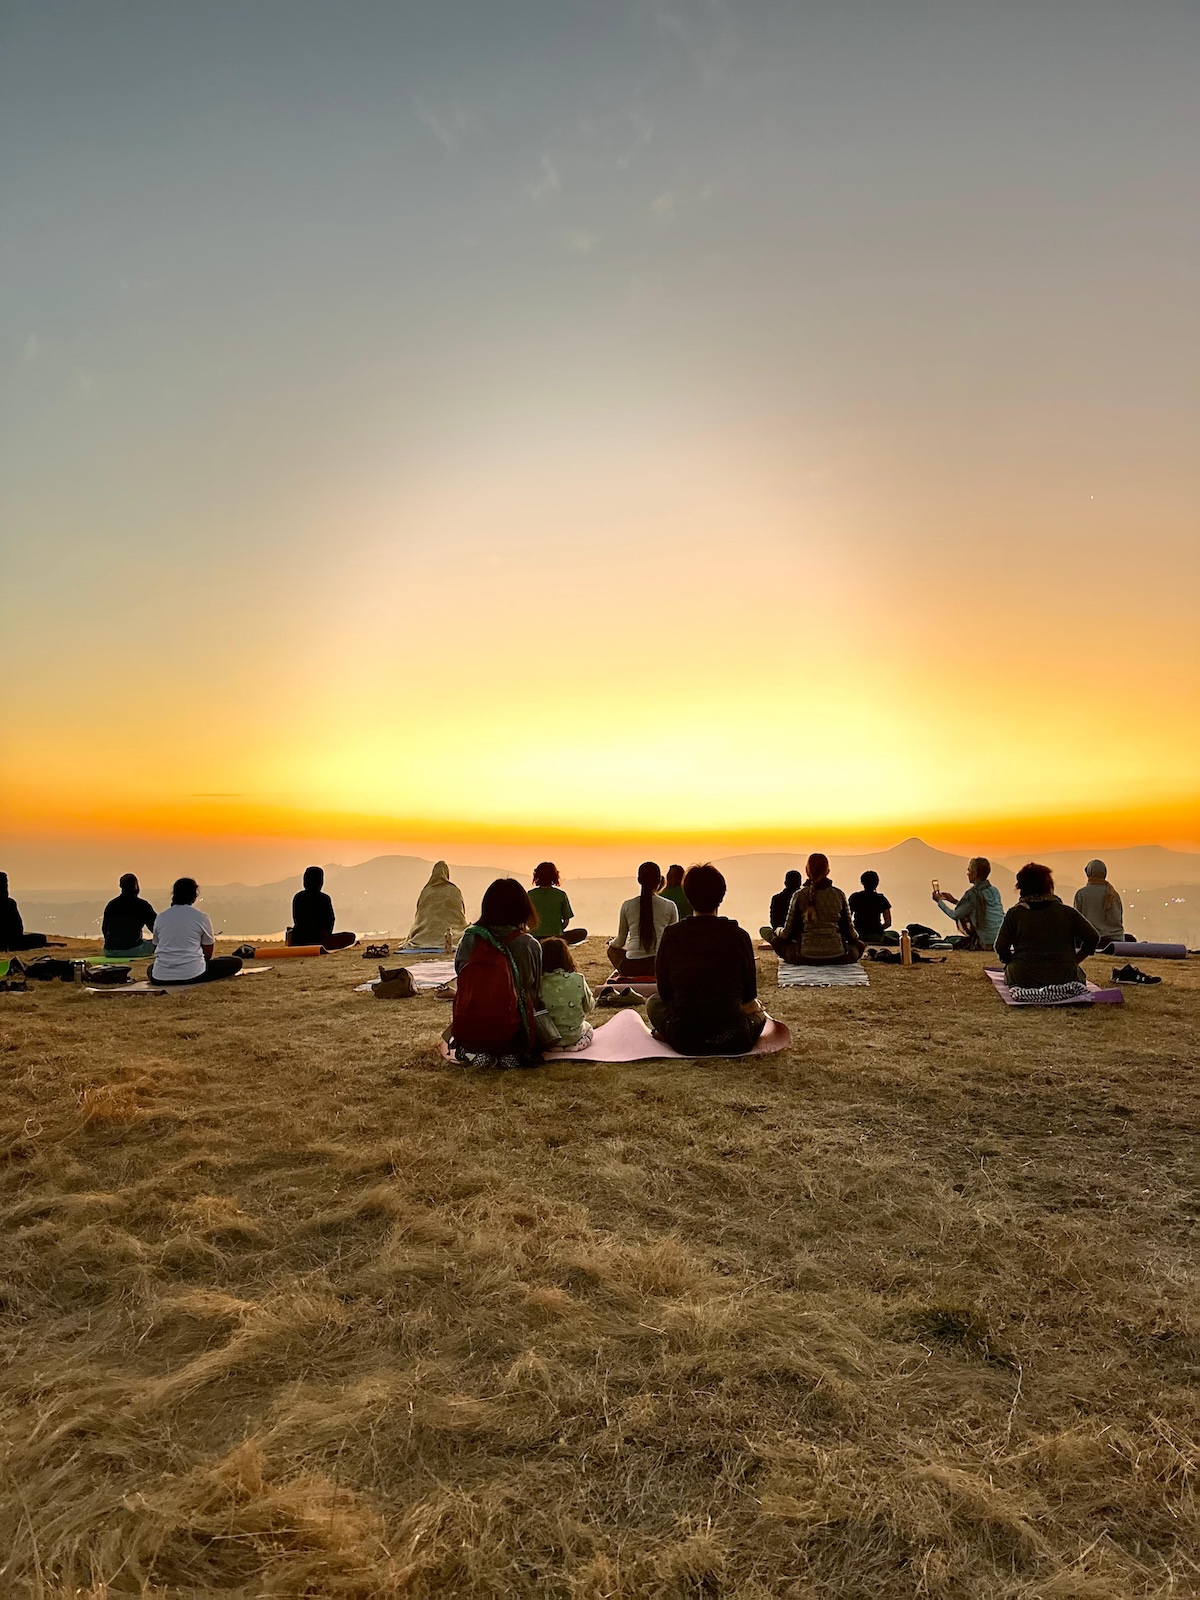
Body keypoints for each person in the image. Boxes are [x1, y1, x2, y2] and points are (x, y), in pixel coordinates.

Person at [649, 863, 766, 1055]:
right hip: (735, 1036)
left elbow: (665, 992)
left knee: (653, 1002)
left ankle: (666, 1033)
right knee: (759, 1012)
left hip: (684, 1038)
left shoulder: (672, 935)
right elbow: (748, 995)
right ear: (721, 895)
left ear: (688, 896)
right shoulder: (739, 936)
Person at [451, 878, 544, 1064]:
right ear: (523, 908)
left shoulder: (470, 938)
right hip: (512, 1034)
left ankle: (477, 1053)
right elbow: (534, 989)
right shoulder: (528, 945)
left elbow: (460, 975)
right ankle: (509, 1055)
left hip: (470, 1029)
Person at [996, 862, 1099, 991]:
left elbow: (1000, 947)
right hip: (1065, 977)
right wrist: (1074, 961)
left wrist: (1012, 963)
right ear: (1049, 886)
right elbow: (1093, 937)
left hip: (1023, 979)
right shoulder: (1066, 912)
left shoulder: (1014, 914)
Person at [769, 854, 864, 965]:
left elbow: (786, 934)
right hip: (838, 955)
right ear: (827, 871)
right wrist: (857, 938)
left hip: (803, 956)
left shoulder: (799, 895)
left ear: (807, 871)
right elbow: (850, 933)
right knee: (860, 945)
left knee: (776, 941)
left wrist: (777, 930)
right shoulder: (839, 894)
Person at [148, 878, 243, 985]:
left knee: (151, 968)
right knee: (235, 962)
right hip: (192, 974)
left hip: (161, 976)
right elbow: (208, 950)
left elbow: (156, 945)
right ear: (194, 897)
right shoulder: (201, 917)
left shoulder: (161, 917)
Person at [606, 861, 679, 978]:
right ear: (660, 880)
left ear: (639, 880)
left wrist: (611, 943)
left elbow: (620, 942)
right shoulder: (670, 906)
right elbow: (673, 941)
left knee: (611, 951)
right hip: (659, 966)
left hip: (632, 967)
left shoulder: (627, 905)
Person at [932, 858, 1005, 950]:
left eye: (969, 871)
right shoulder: (994, 891)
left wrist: (939, 901)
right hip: (1000, 940)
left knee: (950, 940)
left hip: (986, 942)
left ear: (974, 874)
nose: (967, 874)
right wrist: (954, 901)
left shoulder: (972, 894)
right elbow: (976, 907)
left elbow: (955, 915)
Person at [539, 937, 596, 1049]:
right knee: (589, 1029)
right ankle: (577, 1045)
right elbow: (589, 1006)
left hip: (549, 1037)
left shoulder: (539, 984)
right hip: (574, 1035)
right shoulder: (578, 979)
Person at [288, 865, 356, 950]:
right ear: (320, 881)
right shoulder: (323, 898)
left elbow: (296, 919)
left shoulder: (298, 897)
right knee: (350, 937)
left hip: (300, 938)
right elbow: (330, 919)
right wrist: (325, 934)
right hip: (318, 938)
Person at [408, 861, 467, 949]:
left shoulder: (426, 891)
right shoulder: (454, 890)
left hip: (425, 931)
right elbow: (461, 911)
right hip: (453, 930)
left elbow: (420, 914)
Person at [528, 862, 587, 945]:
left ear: (537, 876)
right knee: (582, 932)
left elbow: (525, 919)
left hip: (535, 937)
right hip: (555, 936)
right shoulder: (561, 895)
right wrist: (558, 930)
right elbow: (566, 920)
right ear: (555, 877)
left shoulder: (530, 895)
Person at [102, 873, 157, 957]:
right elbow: (156, 928)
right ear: (136, 886)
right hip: (132, 950)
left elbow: (105, 929)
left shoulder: (112, 905)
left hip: (109, 951)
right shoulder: (142, 905)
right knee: (156, 944)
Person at [1073, 859, 1126, 945]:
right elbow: (1119, 919)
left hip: (1092, 939)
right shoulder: (1113, 894)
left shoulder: (1082, 894)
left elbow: (1077, 922)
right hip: (1116, 939)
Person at [0, 873, 49, 950]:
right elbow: (18, 929)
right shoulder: (9, 903)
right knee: (40, 938)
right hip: (10, 942)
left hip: (8, 941)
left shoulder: (9, 903)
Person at [848, 870, 898, 945]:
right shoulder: (881, 899)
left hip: (858, 933)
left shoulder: (854, 897)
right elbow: (888, 923)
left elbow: (847, 918)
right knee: (895, 934)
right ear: (877, 883)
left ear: (862, 882)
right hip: (875, 935)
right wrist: (877, 929)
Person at [759, 870, 802, 942]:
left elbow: (773, 922)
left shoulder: (777, 899)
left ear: (785, 883)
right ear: (799, 883)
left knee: (763, 930)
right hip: (799, 935)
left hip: (782, 934)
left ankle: (775, 939)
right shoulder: (805, 898)